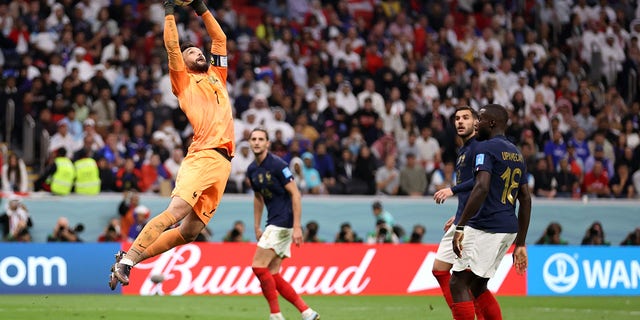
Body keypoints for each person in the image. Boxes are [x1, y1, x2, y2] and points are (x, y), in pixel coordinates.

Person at [109, 0, 235, 290]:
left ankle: (127, 258)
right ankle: (128, 260)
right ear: (185, 63)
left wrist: (200, 7)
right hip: (203, 156)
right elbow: (173, 48)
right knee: (176, 213)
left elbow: (220, 39)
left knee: (188, 232)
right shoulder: (183, 81)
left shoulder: (218, 76)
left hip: (223, 163)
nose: (198, 53)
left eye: (200, 51)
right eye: (193, 52)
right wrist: (169, 10)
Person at [449, 104, 531, 320]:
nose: (477, 123)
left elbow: (481, 186)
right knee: (477, 286)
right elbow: (526, 198)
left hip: (487, 226)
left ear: (492, 123)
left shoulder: (485, 148)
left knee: (458, 282)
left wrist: (460, 225)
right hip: (508, 228)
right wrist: (521, 243)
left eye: (481, 119)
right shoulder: (516, 153)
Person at [246, 128, 319, 320]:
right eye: (253, 139)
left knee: (258, 266)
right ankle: (306, 312)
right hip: (273, 222)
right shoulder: (252, 170)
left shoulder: (278, 165)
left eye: (261, 139)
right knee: (272, 272)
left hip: (283, 221)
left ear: (268, 143)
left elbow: (296, 194)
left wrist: (297, 226)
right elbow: (258, 198)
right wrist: (256, 225)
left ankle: (276, 315)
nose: (257, 142)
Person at [431, 106, 482, 319]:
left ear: (476, 123)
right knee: (440, 270)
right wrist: (459, 212)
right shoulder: (463, 151)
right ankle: (462, 314)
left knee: (467, 283)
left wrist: (451, 190)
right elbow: (470, 190)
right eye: (457, 118)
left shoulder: (480, 148)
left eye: (466, 118)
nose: (460, 121)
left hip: (473, 223)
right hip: (462, 217)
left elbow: (482, 181)